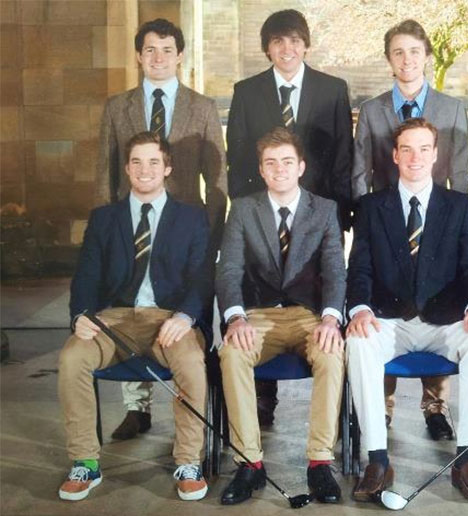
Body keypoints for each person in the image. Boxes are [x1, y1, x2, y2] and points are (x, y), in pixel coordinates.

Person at [346, 118, 468, 503]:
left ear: (436, 155)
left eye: (424, 149)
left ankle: (467, 458)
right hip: (390, 318)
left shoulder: (458, 206)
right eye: (407, 149)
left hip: (444, 321)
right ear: (395, 156)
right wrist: (360, 309)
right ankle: (377, 459)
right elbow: (359, 267)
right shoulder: (371, 206)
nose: (416, 157)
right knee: (359, 342)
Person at [58, 132, 212, 502]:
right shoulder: (104, 218)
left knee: (192, 363)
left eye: (154, 162)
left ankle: (188, 462)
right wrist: (81, 315)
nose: (145, 170)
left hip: (169, 319)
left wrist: (186, 316)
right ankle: (85, 462)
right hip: (114, 320)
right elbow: (86, 275)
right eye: (137, 162)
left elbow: (203, 276)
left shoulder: (192, 217)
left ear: (167, 168)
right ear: (127, 169)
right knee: (71, 358)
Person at [96, 18, 227, 441]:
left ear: (180, 56)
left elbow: (217, 180)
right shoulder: (117, 107)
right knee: (131, 308)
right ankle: (137, 408)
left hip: (186, 233)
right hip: (131, 229)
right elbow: (105, 175)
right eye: (150, 50)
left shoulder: (202, 107)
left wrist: (212, 238)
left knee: (185, 319)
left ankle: (191, 412)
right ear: (138, 56)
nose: (158, 58)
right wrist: (105, 233)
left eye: (167, 50)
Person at [226, 9, 353, 424]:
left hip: (317, 216)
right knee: (264, 295)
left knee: (310, 300)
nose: (287, 49)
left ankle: (330, 410)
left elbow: (342, 156)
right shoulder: (247, 91)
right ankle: (264, 397)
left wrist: (338, 213)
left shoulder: (332, 89)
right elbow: (237, 157)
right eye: (278, 41)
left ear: (306, 45)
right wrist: (250, 214)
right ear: (267, 48)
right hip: (263, 215)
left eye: (295, 40)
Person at [352, 18, 468, 440]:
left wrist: (455, 224)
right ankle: (381, 409)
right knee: (389, 308)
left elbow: (461, 172)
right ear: (389, 60)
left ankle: (435, 406)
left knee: (437, 302)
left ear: (427, 57)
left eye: (415, 52)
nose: (407, 60)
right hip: (387, 226)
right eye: (398, 52)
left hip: (436, 224)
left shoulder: (450, 108)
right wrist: (363, 222)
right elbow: (360, 172)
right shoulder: (372, 111)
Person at [215, 128, 346, 505]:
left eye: (287, 162)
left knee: (332, 353)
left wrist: (331, 318)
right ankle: (249, 464)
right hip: (258, 315)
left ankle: (320, 462)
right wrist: (235, 318)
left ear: (301, 166)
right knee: (232, 353)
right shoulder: (243, 209)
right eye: (271, 163)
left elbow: (335, 270)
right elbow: (229, 269)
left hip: (309, 316)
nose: (280, 169)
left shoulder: (324, 209)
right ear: (261, 169)